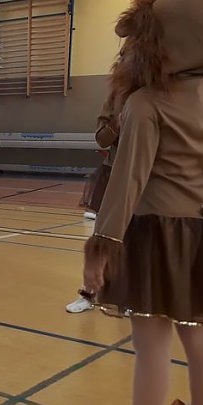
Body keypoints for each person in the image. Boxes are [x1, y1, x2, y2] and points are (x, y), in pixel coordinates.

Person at [78, 0, 203, 405]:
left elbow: (126, 184)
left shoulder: (146, 104)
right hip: (201, 232)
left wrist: (101, 248)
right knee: (198, 330)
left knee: (151, 342)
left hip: (155, 233)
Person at [66, 92, 120, 313]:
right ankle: (89, 292)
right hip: (115, 172)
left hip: (156, 177)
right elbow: (101, 139)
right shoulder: (118, 97)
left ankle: (136, 296)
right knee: (103, 235)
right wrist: (118, 123)